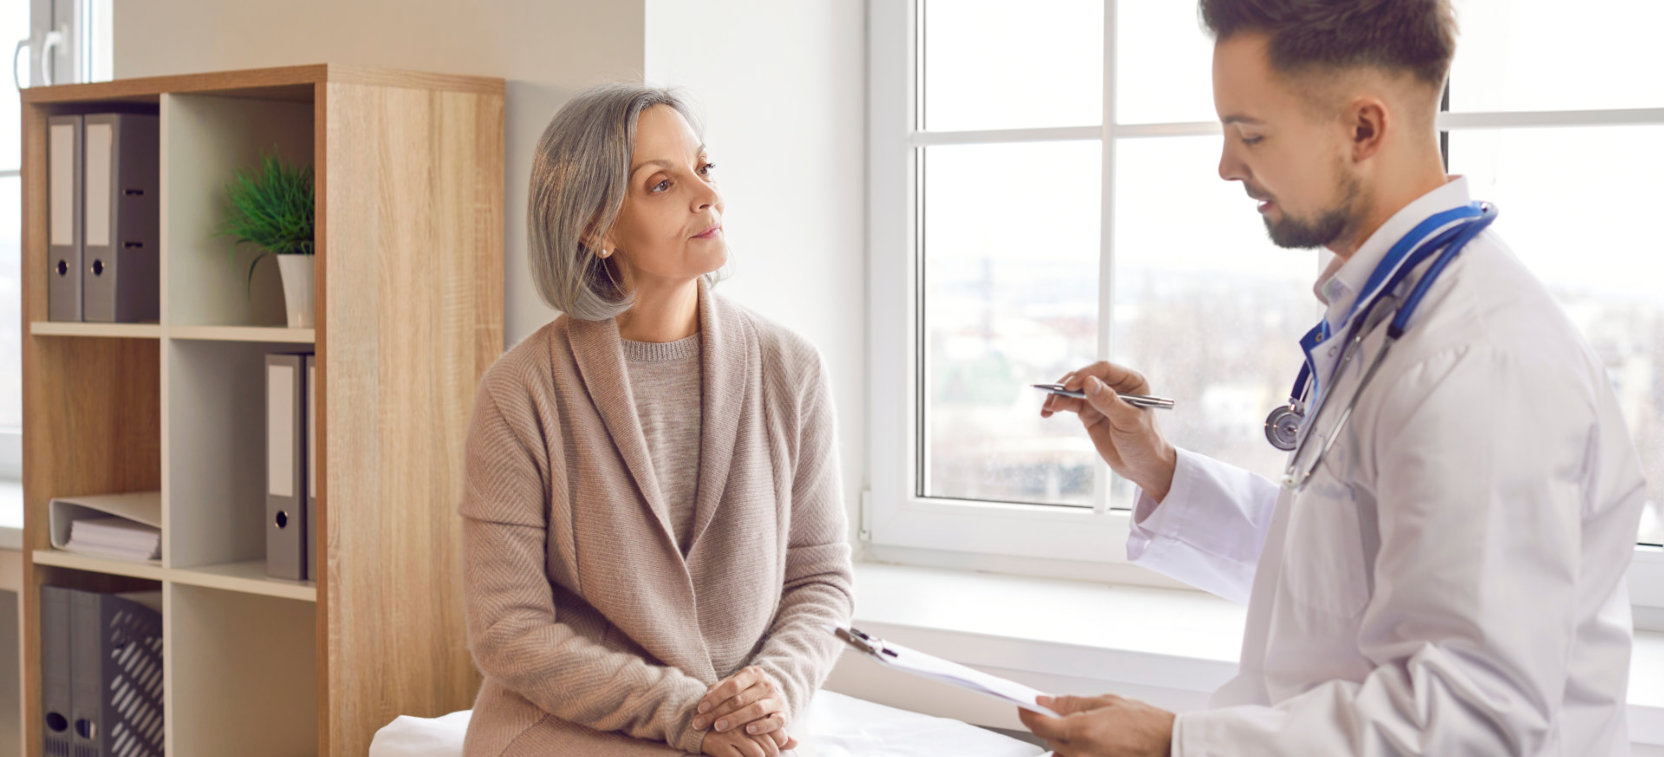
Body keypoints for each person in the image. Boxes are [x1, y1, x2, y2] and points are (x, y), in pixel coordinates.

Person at [1023, 1, 1648, 755]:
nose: (1227, 165)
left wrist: (1176, 742)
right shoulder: (1386, 316)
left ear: (1364, 128)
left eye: (1250, 133)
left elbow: (1472, 725)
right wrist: (1160, 472)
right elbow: (1339, 578)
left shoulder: (1478, 362)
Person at [459, 84, 853, 757]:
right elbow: (508, 629)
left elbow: (821, 579)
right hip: (569, 725)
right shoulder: (519, 391)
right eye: (663, 184)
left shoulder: (792, 368)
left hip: (745, 725)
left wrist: (774, 689)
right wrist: (686, 713)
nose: (708, 196)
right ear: (596, 226)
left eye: (705, 168)